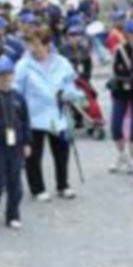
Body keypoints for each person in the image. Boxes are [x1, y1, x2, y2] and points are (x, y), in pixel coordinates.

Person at [14, 25, 81, 202]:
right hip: (34, 116)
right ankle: (37, 188)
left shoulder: (62, 62)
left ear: (47, 44)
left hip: (57, 114)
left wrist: (69, 94)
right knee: (34, 154)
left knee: (61, 151)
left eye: (36, 44)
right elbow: (16, 91)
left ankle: (63, 184)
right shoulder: (23, 65)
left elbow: (71, 85)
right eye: (30, 44)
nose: (33, 48)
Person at [0, 57, 31, 229]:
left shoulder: (18, 97)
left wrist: (27, 142)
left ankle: (13, 214)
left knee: (15, 181)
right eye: (2, 75)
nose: (5, 78)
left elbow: (25, 121)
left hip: (16, 145)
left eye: (8, 74)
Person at [108, 20, 133, 175]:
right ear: (127, 34)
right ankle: (122, 155)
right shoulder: (119, 49)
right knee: (115, 125)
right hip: (121, 90)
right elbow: (115, 70)